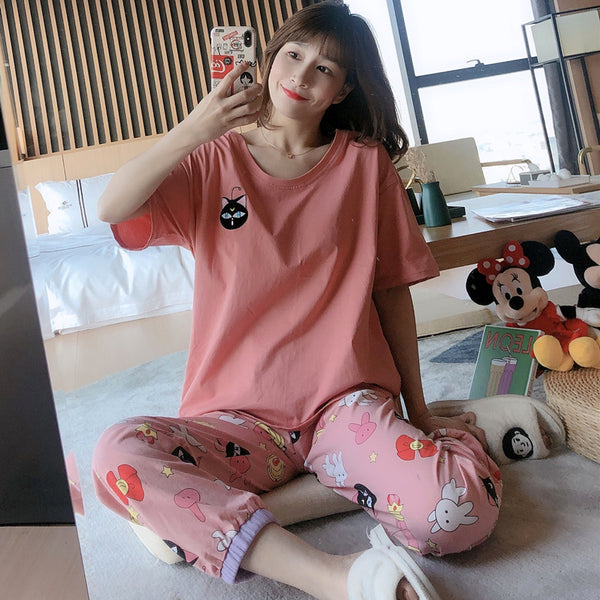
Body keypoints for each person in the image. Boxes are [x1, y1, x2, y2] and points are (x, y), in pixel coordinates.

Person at [93, 3, 500, 599]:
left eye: (326, 68)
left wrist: (417, 409)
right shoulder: (210, 159)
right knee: (119, 455)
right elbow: (112, 207)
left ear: (344, 89)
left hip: (346, 406)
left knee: (459, 515)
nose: (303, 75)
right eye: (293, 54)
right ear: (269, 58)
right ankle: (334, 575)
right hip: (237, 418)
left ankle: (260, 507)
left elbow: (391, 294)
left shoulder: (365, 165)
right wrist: (195, 130)